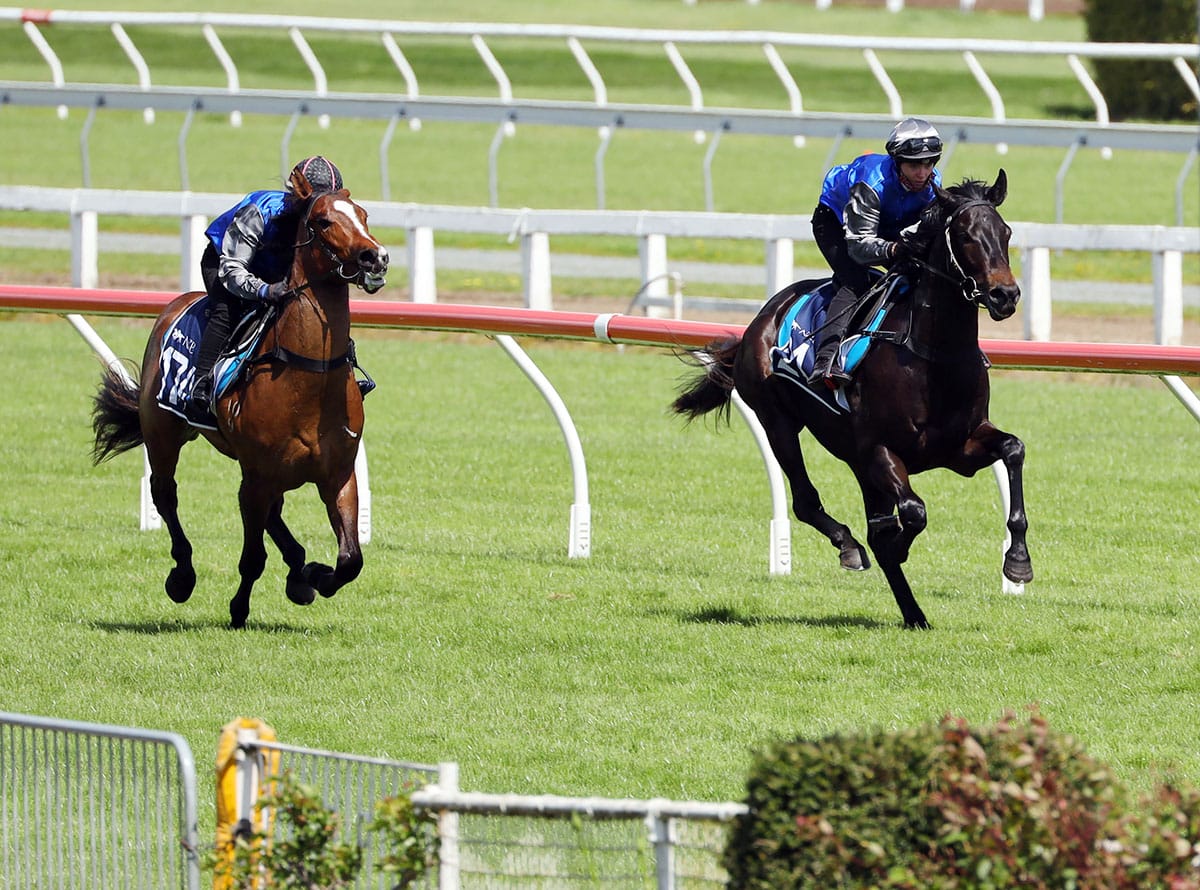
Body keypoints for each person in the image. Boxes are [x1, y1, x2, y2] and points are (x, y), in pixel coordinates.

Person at [182, 155, 345, 428]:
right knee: (228, 309)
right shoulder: (260, 210)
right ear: (296, 194)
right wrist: (264, 290)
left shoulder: (323, 221)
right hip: (226, 264)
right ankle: (201, 383)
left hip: (276, 271)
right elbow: (233, 271)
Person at [807, 117, 943, 386]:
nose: (923, 173)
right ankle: (825, 359)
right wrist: (895, 249)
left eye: (929, 163)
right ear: (896, 160)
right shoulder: (871, 181)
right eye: (914, 164)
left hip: (889, 222)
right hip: (837, 222)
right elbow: (859, 247)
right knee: (856, 281)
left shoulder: (932, 184)